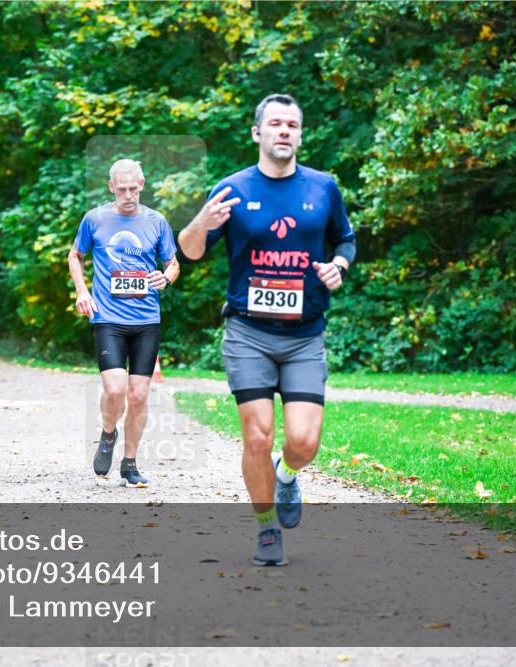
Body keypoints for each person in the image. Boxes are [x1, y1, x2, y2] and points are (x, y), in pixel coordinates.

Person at [178, 93, 356, 565]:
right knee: (256, 436)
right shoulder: (232, 188)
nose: (284, 131)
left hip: (304, 335)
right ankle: (265, 529)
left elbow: (346, 239)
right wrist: (202, 219)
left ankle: (288, 474)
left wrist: (338, 264)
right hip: (248, 333)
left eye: (292, 125)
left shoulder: (323, 188)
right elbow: (190, 251)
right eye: (275, 123)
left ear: (299, 134)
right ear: (257, 132)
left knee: (304, 442)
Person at [69, 159, 180, 488]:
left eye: (134, 188)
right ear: (111, 187)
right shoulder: (95, 219)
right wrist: (82, 291)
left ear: (143, 184)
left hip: (147, 320)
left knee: (139, 395)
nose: (129, 195)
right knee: (115, 389)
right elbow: (75, 255)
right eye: (122, 189)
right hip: (108, 319)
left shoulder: (156, 222)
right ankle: (107, 433)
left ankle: (129, 464)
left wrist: (167, 277)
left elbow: (172, 263)